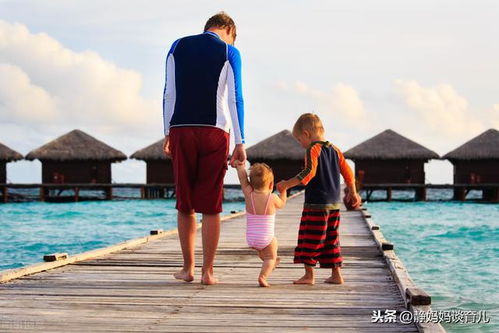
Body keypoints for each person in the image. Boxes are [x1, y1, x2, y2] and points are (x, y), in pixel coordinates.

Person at [162, 12, 246, 285]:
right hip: (215, 132)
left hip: (181, 129)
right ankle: (207, 272)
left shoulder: (177, 46)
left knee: (185, 204)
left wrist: (167, 133)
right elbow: (236, 98)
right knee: (211, 206)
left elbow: (169, 93)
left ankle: (187, 269)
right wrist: (240, 142)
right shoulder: (229, 51)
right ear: (229, 30)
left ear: (207, 27)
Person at [277, 113, 361, 285]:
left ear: (306, 134)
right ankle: (336, 274)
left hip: (316, 205)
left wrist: (286, 184)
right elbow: (348, 173)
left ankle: (309, 275)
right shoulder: (335, 150)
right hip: (334, 205)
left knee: (310, 237)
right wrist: (353, 192)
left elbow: (309, 173)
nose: (301, 145)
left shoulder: (313, 149)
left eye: (300, 140)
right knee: (331, 239)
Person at [236, 162, 287, 287]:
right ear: (271, 184)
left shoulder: (249, 194)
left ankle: (269, 262)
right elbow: (282, 204)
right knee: (271, 256)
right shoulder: (273, 198)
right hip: (266, 238)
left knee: (266, 254)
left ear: (251, 183)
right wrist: (284, 191)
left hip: (251, 238)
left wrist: (240, 166)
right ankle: (263, 276)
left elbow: (243, 178)